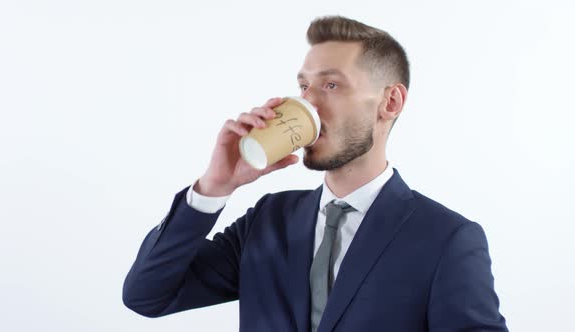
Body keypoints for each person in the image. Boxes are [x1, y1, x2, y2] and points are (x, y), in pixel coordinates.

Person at [122, 15, 508, 332]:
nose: (308, 103)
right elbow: (147, 295)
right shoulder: (268, 221)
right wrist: (214, 186)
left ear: (390, 102)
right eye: (304, 87)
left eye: (332, 84)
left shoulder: (446, 239)